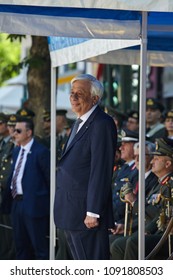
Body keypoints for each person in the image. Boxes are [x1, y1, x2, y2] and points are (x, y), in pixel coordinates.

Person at [54, 73, 117, 260]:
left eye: (79, 94)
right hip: (70, 209)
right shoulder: (79, 122)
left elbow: (101, 169)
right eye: (72, 93)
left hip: (86, 214)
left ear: (94, 98)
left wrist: (93, 211)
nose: (73, 98)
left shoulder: (101, 123)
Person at [110, 138, 173, 260]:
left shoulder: (170, 185)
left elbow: (161, 215)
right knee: (117, 244)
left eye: (156, 158)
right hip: (155, 231)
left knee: (133, 242)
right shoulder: (160, 184)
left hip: (166, 235)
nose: (152, 161)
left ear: (167, 164)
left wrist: (147, 231)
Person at [1, 117, 50, 259]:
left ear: (28, 132)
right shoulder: (17, 151)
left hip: (34, 205)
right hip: (17, 204)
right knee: (20, 245)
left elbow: (49, 180)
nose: (14, 133)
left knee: (39, 247)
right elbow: (14, 175)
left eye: (18, 131)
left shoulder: (41, 152)